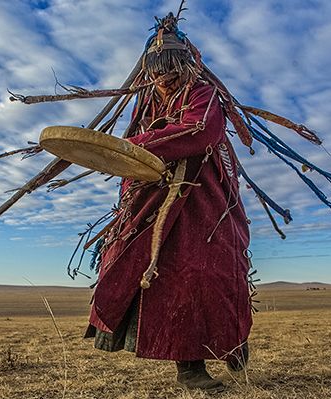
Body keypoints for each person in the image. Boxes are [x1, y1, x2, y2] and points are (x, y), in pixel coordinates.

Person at [84, 12, 252, 392]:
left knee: (209, 272)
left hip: (204, 201)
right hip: (153, 203)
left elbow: (198, 131)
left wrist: (138, 147)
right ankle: (189, 368)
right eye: (158, 72)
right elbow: (127, 154)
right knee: (161, 275)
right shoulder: (145, 106)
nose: (164, 79)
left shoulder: (203, 95)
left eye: (172, 70)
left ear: (186, 66)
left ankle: (233, 344)